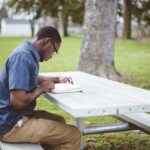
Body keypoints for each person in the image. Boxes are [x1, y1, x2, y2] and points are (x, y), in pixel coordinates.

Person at [0, 26, 81, 150]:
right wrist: (42, 89)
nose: (52, 55)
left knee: (60, 120)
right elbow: (17, 102)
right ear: (47, 42)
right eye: (55, 50)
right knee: (74, 134)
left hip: (15, 117)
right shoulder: (23, 57)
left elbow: (29, 75)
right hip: (11, 124)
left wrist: (55, 79)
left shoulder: (26, 52)